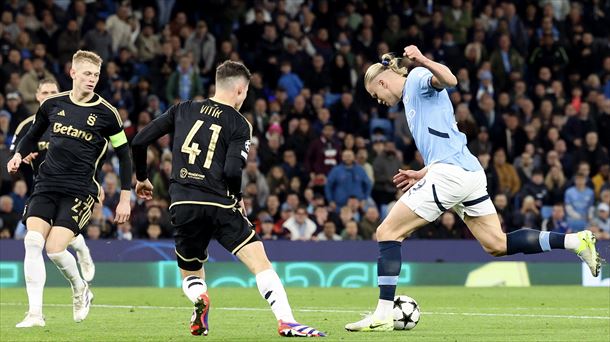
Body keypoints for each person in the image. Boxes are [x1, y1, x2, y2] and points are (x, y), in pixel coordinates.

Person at [344, 47, 601, 332]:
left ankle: (382, 314)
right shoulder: (411, 99)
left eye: (374, 94)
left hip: (451, 176)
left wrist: (424, 61)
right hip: (467, 172)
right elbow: (448, 143)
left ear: (382, 81)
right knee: (497, 244)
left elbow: (451, 80)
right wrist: (423, 172)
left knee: (387, 232)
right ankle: (576, 242)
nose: (377, 100)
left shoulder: (417, 78)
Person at [131, 60, 324, 337]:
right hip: (220, 203)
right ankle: (287, 321)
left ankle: (199, 300)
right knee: (260, 262)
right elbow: (233, 170)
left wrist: (141, 177)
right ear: (240, 90)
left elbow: (139, 140)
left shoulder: (182, 109)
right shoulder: (239, 123)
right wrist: (237, 197)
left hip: (183, 203)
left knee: (192, 273)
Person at [7, 50, 132, 328]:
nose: (92, 79)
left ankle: (80, 289)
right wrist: (17, 155)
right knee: (32, 242)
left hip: (79, 190)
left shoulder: (107, 113)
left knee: (53, 249)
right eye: (87, 73)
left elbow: (124, 154)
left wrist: (125, 198)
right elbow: (32, 135)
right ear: (72, 73)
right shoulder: (53, 104)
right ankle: (35, 314)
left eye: (96, 75)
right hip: (46, 184)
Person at [10, 78, 96, 284]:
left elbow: (89, 155)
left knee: (57, 232)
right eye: (45, 93)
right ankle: (79, 246)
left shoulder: (71, 121)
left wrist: (95, 182)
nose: (49, 97)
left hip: (71, 187)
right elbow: (13, 159)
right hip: (41, 187)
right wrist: (21, 160)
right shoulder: (26, 126)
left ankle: (81, 247)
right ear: (38, 96)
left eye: (53, 93)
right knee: (38, 238)